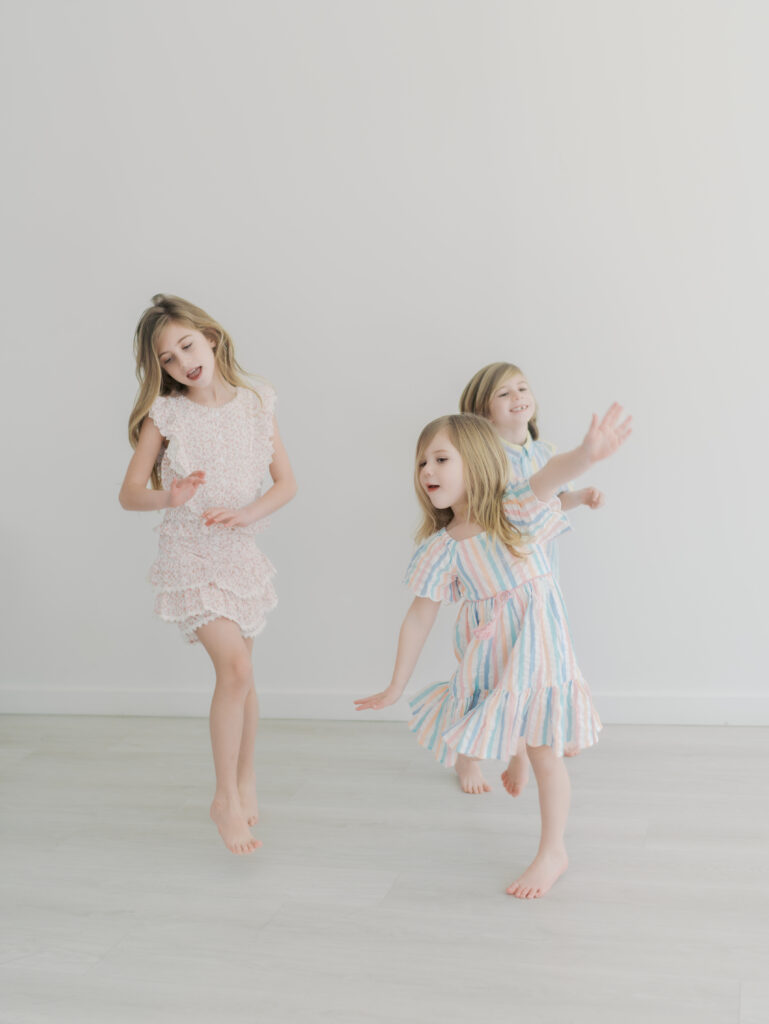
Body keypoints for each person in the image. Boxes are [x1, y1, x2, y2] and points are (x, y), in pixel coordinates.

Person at [355, 407, 631, 898]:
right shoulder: (440, 548)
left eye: (440, 459)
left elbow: (549, 478)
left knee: (546, 748)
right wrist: (397, 682)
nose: (428, 472)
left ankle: (553, 851)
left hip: (539, 644)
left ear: (477, 462)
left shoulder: (513, 512)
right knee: (497, 719)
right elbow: (420, 617)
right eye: (421, 464)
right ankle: (515, 756)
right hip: (489, 651)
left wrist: (587, 456)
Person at [119, 294, 297, 855]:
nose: (182, 363)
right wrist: (169, 497)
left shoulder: (256, 402)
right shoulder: (166, 415)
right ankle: (224, 796)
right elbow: (128, 494)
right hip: (191, 553)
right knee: (236, 666)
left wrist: (247, 514)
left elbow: (287, 483)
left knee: (244, 677)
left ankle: (245, 779)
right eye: (167, 359)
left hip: (238, 551)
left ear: (211, 338)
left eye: (187, 346)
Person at [460, 362, 607, 796]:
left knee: (531, 671)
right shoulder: (483, 459)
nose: (518, 396)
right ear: (484, 412)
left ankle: (522, 751)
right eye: (504, 393)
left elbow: (553, 499)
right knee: (487, 675)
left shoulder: (545, 454)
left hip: (540, 580)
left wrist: (579, 497)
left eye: (522, 387)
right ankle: (466, 755)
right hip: (499, 584)